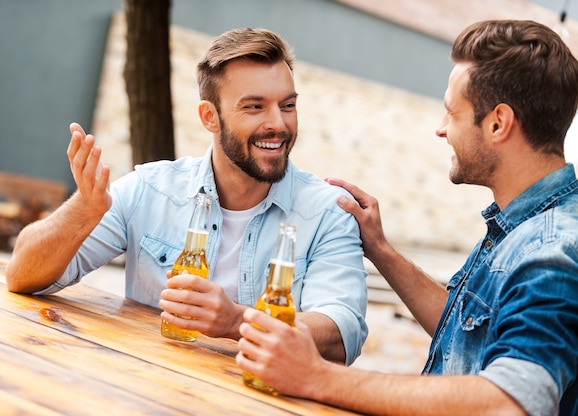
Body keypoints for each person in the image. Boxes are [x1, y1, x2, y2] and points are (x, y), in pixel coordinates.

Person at [236, 19, 578, 415]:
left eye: (452, 112)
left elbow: (510, 401)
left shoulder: (552, 251)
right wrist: (381, 250)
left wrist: (316, 376)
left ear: (498, 123)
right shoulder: (523, 225)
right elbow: (466, 333)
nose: (441, 129)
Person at [4, 27, 368, 365]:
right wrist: (84, 211)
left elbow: (341, 333)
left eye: (287, 105)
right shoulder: (151, 188)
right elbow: (22, 275)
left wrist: (236, 320)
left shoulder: (328, 212)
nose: (279, 123)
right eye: (255, 106)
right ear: (210, 117)